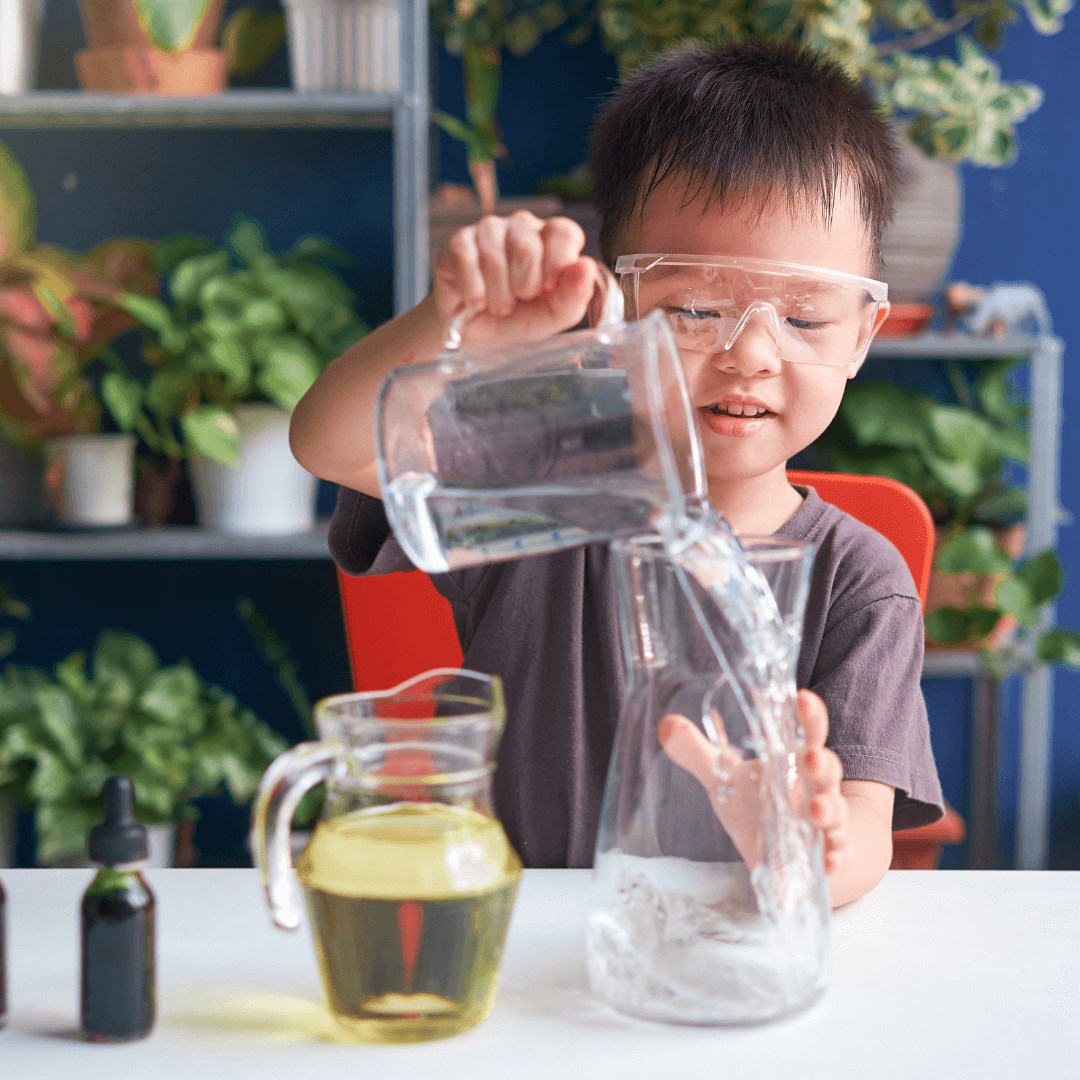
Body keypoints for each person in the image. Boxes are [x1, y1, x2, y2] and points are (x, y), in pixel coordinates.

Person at [290, 39, 945, 907]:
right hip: (520, 944)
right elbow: (327, 442)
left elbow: (862, 828)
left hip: (733, 951)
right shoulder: (548, 486)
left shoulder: (860, 581)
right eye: (696, 310)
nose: (750, 353)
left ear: (863, 334)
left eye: (804, 317)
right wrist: (453, 334)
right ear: (620, 306)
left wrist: (812, 843)